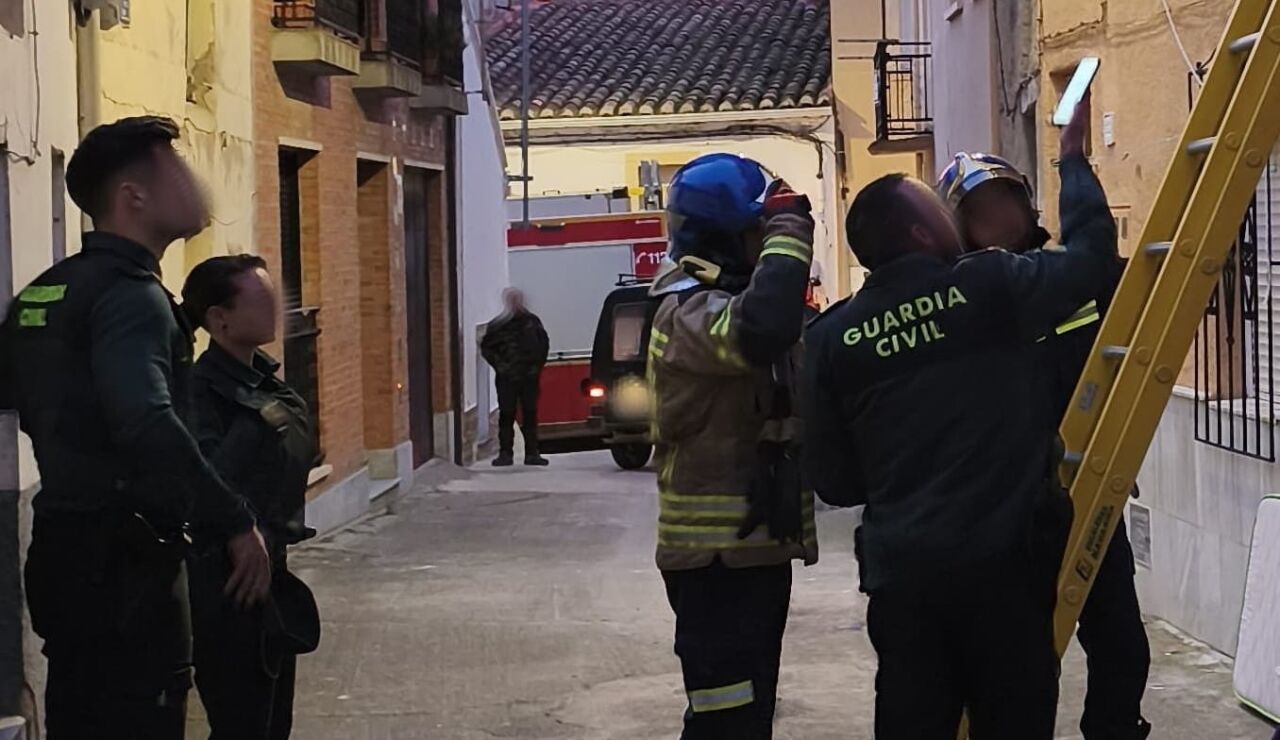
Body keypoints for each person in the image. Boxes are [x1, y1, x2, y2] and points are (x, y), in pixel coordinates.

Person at [803, 97, 1115, 738]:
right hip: (1004, 572)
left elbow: (834, 482)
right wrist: (1072, 158)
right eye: (937, 211)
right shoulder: (987, 286)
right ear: (921, 235)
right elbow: (1089, 262)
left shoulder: (830, 339)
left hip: (905, 582)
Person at [0, 116, 271, 738]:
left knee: (81, 714)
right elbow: (146, 420)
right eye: (174, 170)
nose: (193, 184)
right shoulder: (133, 297)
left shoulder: (49, 290)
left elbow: (22, 393)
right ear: (133, 197)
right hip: (130, 568)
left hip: (64, 552)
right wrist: (233, 520)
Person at [939, 144, 1151, 740]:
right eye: (981, 208)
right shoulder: (965, 294)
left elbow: (1109, 277)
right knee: (1026, 661)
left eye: (1004, 200)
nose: (998, 216)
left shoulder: (1070, 272)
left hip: (1087, 483)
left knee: (1121, 643)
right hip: (1011, 507)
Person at [647, 153, 819, 739]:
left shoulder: (728, 301)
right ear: (722, 237)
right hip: (712, 563)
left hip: (753, 552)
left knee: (753, 714)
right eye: (757, 233)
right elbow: (762, 328)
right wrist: (790, 231)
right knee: (725, 720)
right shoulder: (686, 311)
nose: (764, 247)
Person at [182, 255, 322, 739]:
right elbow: (207, 478)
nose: (275, 307)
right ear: (219, 319)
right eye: (259, 299)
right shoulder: (201, 392)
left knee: (273, 722)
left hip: (271, 567)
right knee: (242, 723)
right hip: (227, 579)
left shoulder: (265, 381)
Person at [481, 288, 551, 466]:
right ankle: (505, 454)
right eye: (512, 299)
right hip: (507, 380)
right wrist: (501, 367)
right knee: (506, 415)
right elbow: (487, 349)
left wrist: (536, 368)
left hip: (529, 379)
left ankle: (532, 454)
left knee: (530, 415)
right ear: (507, 302)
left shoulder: (533, 322)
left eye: (518, 299)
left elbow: (544, 345)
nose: (516, 303)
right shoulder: (498, 326)